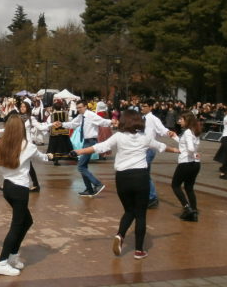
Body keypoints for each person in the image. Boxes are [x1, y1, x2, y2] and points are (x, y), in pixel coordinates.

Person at [72, 109, 180, 260]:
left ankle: (120, 235)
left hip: (122, 178)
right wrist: (176, 150)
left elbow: (100, 147)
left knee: (129, 211)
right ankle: (139, 250)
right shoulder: (145, 138)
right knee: (140, 214)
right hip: (140, 177)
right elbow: (161, 146)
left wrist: (79, 151)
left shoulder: (119, 136)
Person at [0, 114, 54, 276]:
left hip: (7, 188)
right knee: (16, 226)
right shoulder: (28, 146)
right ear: (21, 129)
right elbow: (43, 159)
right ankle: (2, 262)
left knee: (27, 221)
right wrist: (53, 156)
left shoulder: (0, 143)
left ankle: (13, 256)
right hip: (20, 191)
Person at [58, 100, 114, 197]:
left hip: (91, 142)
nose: (79, 109)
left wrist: (112, 122)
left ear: (85, 106)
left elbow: (102, 122)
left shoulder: (91, 115)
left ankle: (97, 184)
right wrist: (62, 124)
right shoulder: (81, 117)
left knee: (80, 166)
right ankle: (89, 189)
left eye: (80, 107)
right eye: (77, 108)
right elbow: (73, 124)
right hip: (86, 142)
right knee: (83, 166)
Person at [140, 100, 177, 206]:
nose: (142, 108)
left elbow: (162, 130)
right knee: (143, 173)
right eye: (141, 106)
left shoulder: (153, 119)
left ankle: (152, 197)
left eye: (145, 105)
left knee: (144, 174)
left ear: (150, 107)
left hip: (149, 149)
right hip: (142, 149)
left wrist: (168, 132)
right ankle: (148, 195)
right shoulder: (141, 118)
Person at [171, 112, 202, 222]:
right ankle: (193, 211)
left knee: (175, 185)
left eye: (181, 119)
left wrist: (193, 153)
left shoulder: (188, 132)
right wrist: (175, 137)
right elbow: (186, 144)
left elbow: (190, 148)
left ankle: (187, 207)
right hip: (195, 164)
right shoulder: (194, 131)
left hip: (186, 163)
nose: (180, 121)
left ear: (187, 120)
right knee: (189, 187)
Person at [46, 98, 72, 165]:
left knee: (54, 147)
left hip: (54, 134)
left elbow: (49, 123)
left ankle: (55, 159)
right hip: (63, 133)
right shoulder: (66, 114)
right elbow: (68, 122)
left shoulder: (51, 115)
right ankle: (62, 157)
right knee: (62, 147)